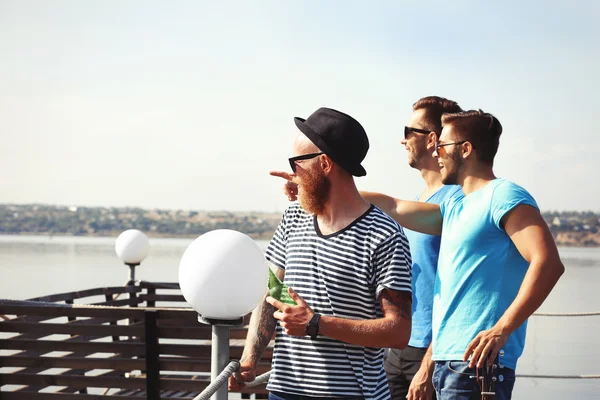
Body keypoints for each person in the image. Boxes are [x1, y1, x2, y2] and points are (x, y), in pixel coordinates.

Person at [366, 109, 564, 399]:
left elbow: (548, 263)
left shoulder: (504, 195)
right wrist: (328, 189)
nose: (436, 154)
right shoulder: (455, 208)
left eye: (442, 147)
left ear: (466, 149)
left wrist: (502, 329)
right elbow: (393, 206)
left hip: (478, 366)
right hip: (450, 364)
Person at [273, 96, 463, 400]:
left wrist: (430, 363)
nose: (401, 140)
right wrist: (312, 184)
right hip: (398, 351)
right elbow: (382, 203)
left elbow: (459, 289)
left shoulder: (457, 205)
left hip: (431, 347)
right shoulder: (420, 199)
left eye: (408, 130)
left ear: (431, 139)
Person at [230, 107, 413, 400]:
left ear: (325, 164)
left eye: (297, 162)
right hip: (284, 391)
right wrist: (250, 359)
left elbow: (399, 331)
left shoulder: (384, 235)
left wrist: (316, 323)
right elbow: (271, 293)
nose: (292, 173)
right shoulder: (294, 218)